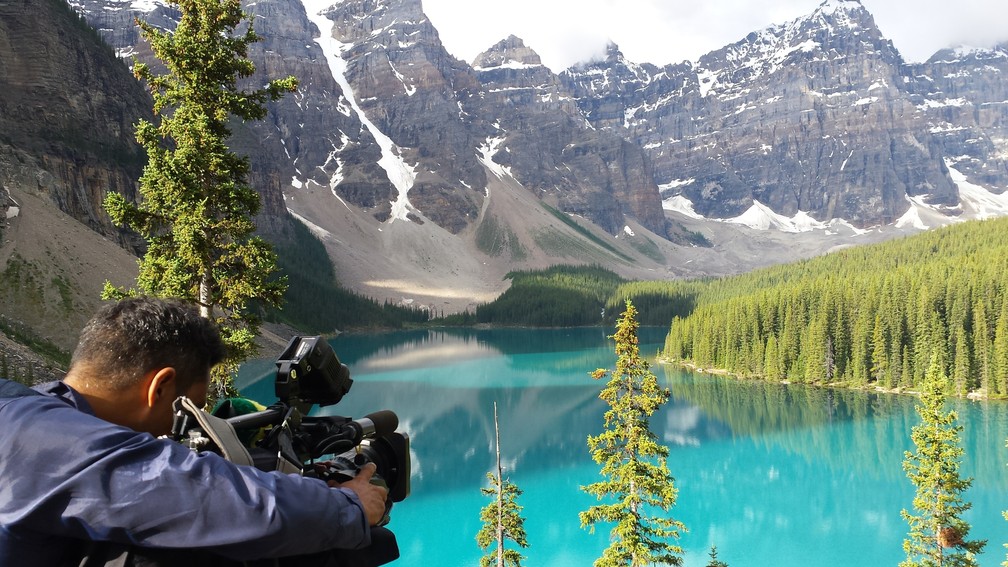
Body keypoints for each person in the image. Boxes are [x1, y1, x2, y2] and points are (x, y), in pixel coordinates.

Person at [0, 297, 389, 566]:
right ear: (160, 388)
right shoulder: (46, 441)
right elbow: (204, 495)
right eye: (191, 407)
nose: (179, 426)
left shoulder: (26, 410)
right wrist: (350, 506)